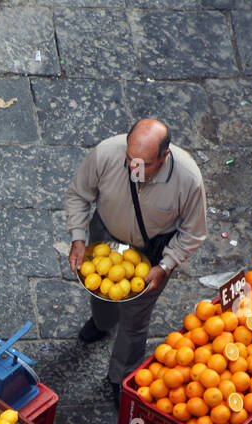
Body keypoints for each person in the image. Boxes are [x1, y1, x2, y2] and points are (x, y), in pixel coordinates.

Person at [65, 118, 208, 400]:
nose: (135, 169)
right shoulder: (106, 154)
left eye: (145, 164)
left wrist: (166, 265)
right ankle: (102, 323)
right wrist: (79, 236)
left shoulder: (188, 179)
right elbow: (79, 195)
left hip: (152, 251)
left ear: (165, 157)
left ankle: (123, 375)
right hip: (105, 232)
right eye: (130, 160)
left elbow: (194, 232)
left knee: (135, 320)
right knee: (100, 291)